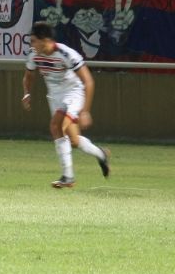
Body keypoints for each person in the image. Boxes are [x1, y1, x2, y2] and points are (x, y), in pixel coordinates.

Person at [22, 21, 110, 188]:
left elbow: (88, 81)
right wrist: (26, 93)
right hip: (55, 97)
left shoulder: (66, 53)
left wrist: (85, 111)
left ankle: (68, 177)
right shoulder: (34, 54)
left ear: (45, 40)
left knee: (56, 126)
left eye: (33, 40)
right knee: (74, 141)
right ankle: (101, 154)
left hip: (73, 94)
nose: (31, 44)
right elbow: (28, 76)